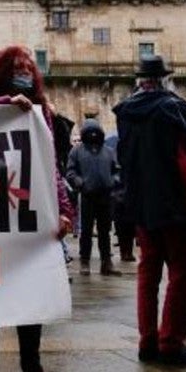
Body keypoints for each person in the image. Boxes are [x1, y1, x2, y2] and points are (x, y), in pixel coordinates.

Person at [0, 45, 74, 372]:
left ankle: (32, 362)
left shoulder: (43, 112)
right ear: (3, 72)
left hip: (30, 213)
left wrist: (65, 210)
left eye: (28, 67)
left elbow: (51, 164)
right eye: (17, 67)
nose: (24, 72)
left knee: (32, 289)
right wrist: (6, 104)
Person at [113, 56, 186, 366]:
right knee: (181, 273)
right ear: (164, 79)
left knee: (148, 273)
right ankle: (171, 341)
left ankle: (147, 341)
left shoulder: (125, 112)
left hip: (141, 204)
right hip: (176, 204)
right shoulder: (174, 109)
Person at [67, 118, 122, 277]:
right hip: (87, 196)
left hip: (106, 196)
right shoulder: (77, 151)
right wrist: (79, 182)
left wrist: (113, 181)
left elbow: (117, 170)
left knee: (105, 231)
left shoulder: (108, 151)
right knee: (86, 232)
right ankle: (85, 261)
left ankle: (106, 263)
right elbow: (70, 171)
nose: (93, 135)